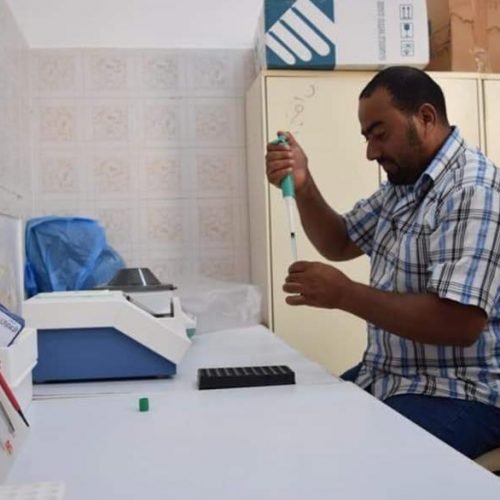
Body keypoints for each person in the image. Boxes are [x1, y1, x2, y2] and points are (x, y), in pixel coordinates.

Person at [265, 66, 500, 460]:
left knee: (359, 464)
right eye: (367, 137)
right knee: (300, 433)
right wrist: (303, 184)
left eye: (380, 133)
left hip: (461, 391)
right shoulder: (404, 184)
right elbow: (340, 241)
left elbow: (460, 323)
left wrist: (344, 294)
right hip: (389, 377)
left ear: (425, 118)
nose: (371, 152)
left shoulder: (472, 190)